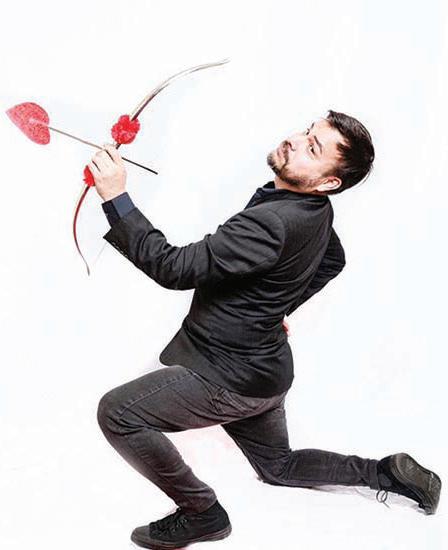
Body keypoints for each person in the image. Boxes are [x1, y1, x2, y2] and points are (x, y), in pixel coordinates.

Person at [91, 110, 441, 549]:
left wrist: (116, 199)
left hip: (229, 380)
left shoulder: (272, 221)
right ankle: (384, 473)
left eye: (313, 148)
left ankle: (201, 512)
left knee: (118, 414)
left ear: (328, 182)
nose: (296, 140)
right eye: (307, 132)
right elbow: (332, 259)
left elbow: (173, 267)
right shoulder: (313, 209)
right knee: (279, 466)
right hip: (266, 375)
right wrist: (275, 306)